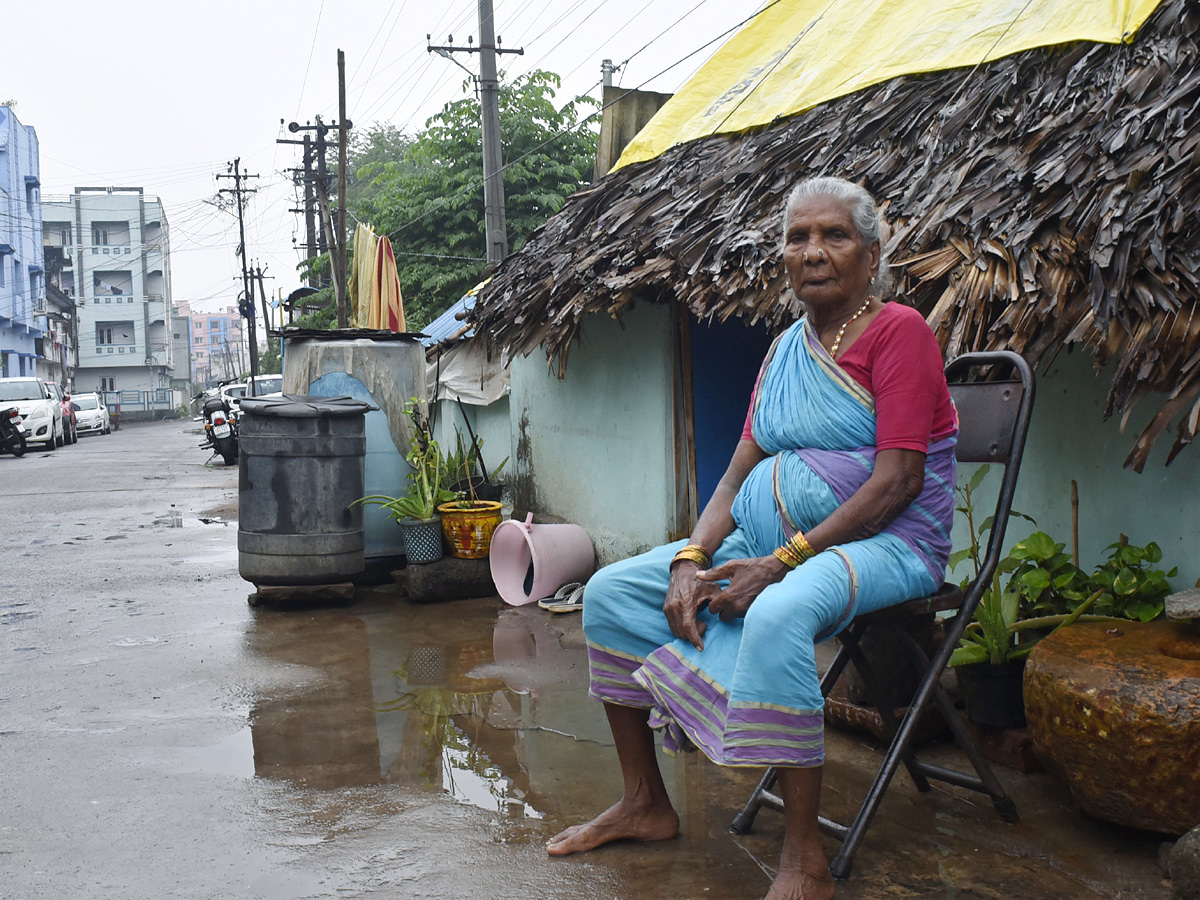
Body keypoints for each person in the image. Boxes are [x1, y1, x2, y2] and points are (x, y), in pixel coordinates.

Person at [545, 176, 958, 900]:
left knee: (776, 611)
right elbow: (736, 478)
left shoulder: (901, 333)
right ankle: (645, 802)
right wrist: (689, 558)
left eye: (834, 235)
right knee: (609, 593)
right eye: (798, 237)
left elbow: (898, 483)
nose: (813, 251)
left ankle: (805, 860)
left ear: (871, 253)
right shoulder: (781, 353)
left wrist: (780, 563)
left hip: (889, 544)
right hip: (768, 549)